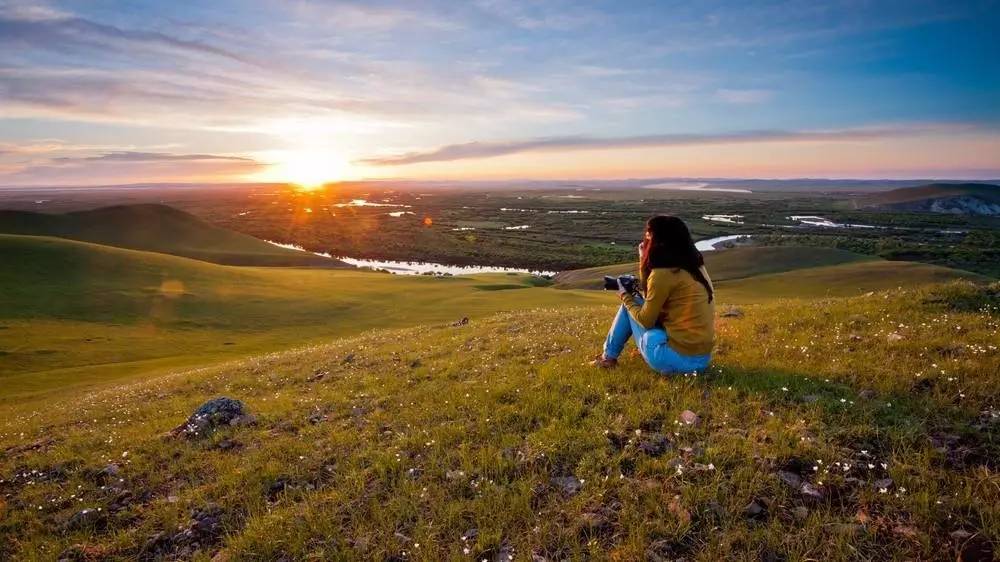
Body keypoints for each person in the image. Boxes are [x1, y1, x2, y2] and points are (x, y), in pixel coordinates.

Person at [592, 215, 715, 374]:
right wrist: (643, 262)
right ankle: (608, 357)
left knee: (632, 310)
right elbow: (652, 298)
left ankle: (608, 358)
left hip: (677, 360)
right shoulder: (695, 266)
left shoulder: (663, 274)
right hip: (702, 359)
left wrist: (624, 296)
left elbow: (646, 320)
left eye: (649, 235)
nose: (646, 240)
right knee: (636, 304)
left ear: (659, 241)